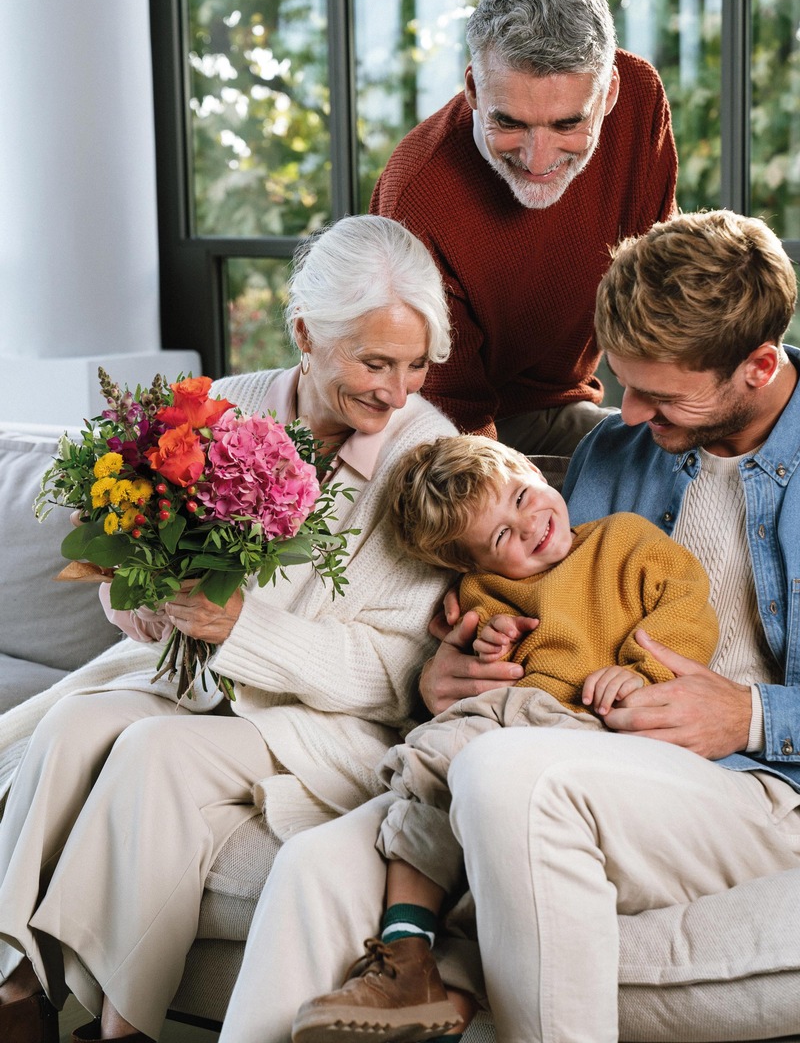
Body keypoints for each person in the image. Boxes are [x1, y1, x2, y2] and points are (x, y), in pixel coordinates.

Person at [215, 207, 800, 1043]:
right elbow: (533, 609)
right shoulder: (613, 455)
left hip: (763, 785)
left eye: (659, 395)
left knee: (505, 777)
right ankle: (415, 970)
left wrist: (747, 714)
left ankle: (449, 971)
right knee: (316, 865)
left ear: (758, 365)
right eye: (619, 382)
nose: (626, 415)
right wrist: (441, 678)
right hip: (593, 745)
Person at [0, 214, 460, 1043]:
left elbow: (398, 675)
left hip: (328, 725)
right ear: (305, 336)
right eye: (374, 361)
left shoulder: (427, 455)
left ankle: (122, 1027)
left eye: (417, 364)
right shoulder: (221, 407)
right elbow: (130, 568)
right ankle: (12, 988)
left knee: (149, 751)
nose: (397, 391)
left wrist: (241, 626)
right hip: (192, 686)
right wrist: (136, 600)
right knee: (68, 725)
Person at [290, 434, 717, 1042]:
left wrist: (642, 673)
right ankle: (407, 953)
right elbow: (482, 646)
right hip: (516, 715)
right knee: (433, 763)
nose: (529, 526)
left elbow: (685, 606)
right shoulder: (484, 592)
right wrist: (490, 639)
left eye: (523, 497)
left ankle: (424, 969)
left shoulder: (623, 540)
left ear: (532, 472)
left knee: (455, 759)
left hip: (591, 724)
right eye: (500, 538)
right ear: (473, 565)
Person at [370, 0, 678, 455]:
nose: (538, 160)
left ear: (610, 95)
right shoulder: (417, 195)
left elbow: (658, 282)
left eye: (566, 124)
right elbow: (448, 416)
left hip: (562, 404)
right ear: (473, 89)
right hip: (440, 430)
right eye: (510, 123)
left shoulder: (640, 96)